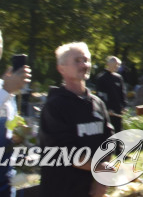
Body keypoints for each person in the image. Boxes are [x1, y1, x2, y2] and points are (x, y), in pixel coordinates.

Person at [39, 42, 113, 197]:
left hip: (93, 190)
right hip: (63, 189)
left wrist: (101, 181)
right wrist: (101, 168)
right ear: (61, 68)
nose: (83, 64)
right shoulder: (55, 106)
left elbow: (109, 142)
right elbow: (66, 153)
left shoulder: (98, 103)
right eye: (77, 61)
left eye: (86, 60)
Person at [0, 22, 31, 197]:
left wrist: (19, 135)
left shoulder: (2, 84)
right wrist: (6, 92)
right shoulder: (6, 89)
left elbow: (5, 126)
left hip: (3, 182)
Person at [93, 56, 126, 133]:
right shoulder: (101, 78)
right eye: (115, 65)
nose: (117, 67)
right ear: (108, 64)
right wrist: (106, 108)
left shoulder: (118, 78)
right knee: (109, 132)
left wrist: (123, 106)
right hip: (108, 111)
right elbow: (100, 95)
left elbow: (122, 93)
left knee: (119, 131)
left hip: (118, 110)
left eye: (118, 65)